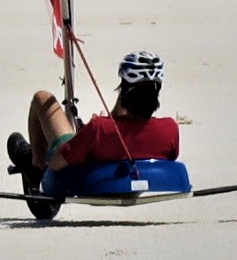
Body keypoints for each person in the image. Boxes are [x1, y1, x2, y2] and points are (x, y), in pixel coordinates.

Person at [11, 50, 179, 178]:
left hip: (87, 174)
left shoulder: (100, 128)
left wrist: (85, 134)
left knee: (42, 98)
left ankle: (35, 168)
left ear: (123, 91)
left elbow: (55, 164)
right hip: (120, 160)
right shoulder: (169, 129)